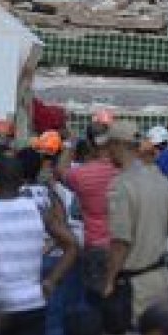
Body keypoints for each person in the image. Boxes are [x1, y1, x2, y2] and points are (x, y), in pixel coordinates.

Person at [0, 154, 78, 335]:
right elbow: (72, 246)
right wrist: (51, 281)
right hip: (30, 303)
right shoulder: (38, 213)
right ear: (21, 182)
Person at [103, 121, 168, 328]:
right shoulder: (158, 178)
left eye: (109, 146)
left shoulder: (121, 186)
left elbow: (121, 242)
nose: (107, 152)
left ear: (118, 145)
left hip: (135, 286)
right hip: (161, 278)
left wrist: (109, 281)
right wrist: (164, 227)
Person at [61, 120, 120, 309]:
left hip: (95, 248)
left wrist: (71, 144)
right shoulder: (124, 172)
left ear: (89, 144)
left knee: (94, 305)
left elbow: (60, 171)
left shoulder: (82, 175)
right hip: (122, 246)